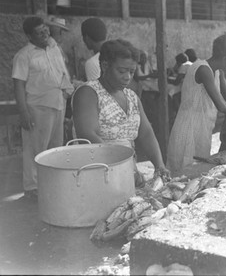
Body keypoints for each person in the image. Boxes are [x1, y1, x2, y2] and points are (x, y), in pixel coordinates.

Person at [72, 39, 169, 186]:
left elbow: (146, 133)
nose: (127, 77)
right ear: (105, 66)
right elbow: (88, 135)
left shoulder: (131, 97)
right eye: (122, 71)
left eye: (131, 72)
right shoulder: (89, 93)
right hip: (98, 176)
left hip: (126, 173)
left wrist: (159, 165)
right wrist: (125, 167)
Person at [166, 33, 226, 176]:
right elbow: (222, 105)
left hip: (202, 130)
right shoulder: (203, 69)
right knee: (182, 177)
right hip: (188, 130)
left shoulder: (217, 71)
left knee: (196, 175)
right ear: (225, 59)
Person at [12, 16, 74, 200]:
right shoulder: (23, 56)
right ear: (29, 36)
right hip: (37, 108)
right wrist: (23, 112)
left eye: (45, 30)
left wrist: (67, 89)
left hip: (57, 104)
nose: (45, 34)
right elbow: (18, 85)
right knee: (34, 148)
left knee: (55, 146)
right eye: (39, 33)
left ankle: (51, 184)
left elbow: (62, 72)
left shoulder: (54, 49)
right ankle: (31, 187)